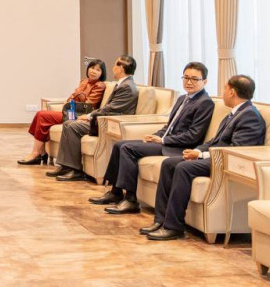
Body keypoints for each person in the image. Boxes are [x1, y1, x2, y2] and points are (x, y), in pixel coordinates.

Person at [143, 75, 265, 240]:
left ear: (232, 92)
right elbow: (214, 141)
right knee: (169, 164)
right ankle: (161, 220)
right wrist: (196, 151)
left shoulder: (250, 116)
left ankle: (174, 227)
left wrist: (201, 155)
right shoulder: (236, 112)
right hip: (216, 157)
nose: (222, 93)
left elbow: (236, 150)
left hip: (228, 162)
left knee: (183, 168)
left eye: (224, 89)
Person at [92, 61, 215, 214]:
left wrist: (163, 140)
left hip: (178, 147)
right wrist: (156, 135)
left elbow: (193, 136)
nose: (189, 82)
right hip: (166, 142)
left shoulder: (205, 103)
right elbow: (169, 126)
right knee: (119, 145)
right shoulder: (183, 98)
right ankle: (115, 192)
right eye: (186, 77)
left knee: (128, 149)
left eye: (194, 79)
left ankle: (130, 200)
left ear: (205, 81)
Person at [47, 55, 139, 181]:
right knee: (69, 123)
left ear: (121, 68)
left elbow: (112, 109)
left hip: (108, 123)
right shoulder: (122, 84)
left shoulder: (127, 86)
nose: (113, 67)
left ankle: (75, 170)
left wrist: (90, 116)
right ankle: (66, 166)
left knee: (73, 126)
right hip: (103, 119)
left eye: (115, 65)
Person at [18, 59, 107, 165]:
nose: (93, 71)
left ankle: (36, 153)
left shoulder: (99, 85)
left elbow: (88, 104)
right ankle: (41, 152)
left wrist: (73, 100)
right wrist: (71, 100)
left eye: (98, 70)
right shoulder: (84, 82)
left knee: (42, 116)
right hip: (70, 112)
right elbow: (71, 97)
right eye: (92, 68)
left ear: (102, 73)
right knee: (40, 114)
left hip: (79, 115)